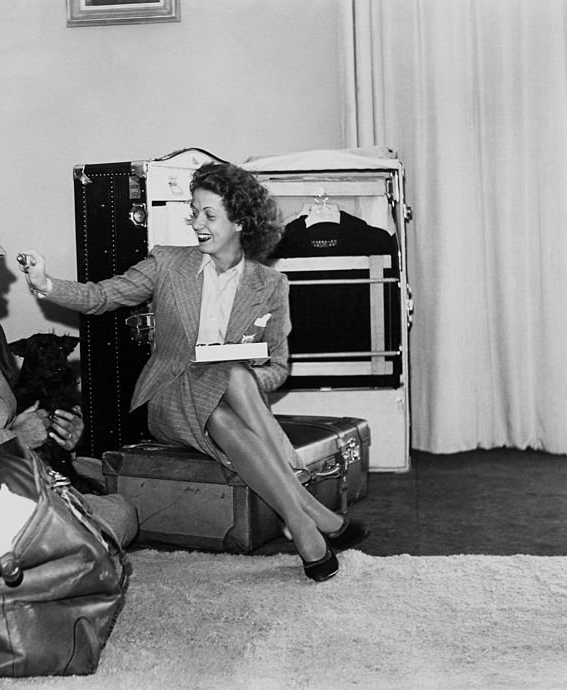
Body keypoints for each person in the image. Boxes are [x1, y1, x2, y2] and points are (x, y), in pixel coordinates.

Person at [19, 162, 368, 582]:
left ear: (239, 221)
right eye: (194, 211)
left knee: (234, 382)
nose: (196, 223)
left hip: (230, 408)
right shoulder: (167, 263)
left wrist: (243, 376)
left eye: (209, 215)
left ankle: (307, 527)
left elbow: (278, 368)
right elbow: (103, 295)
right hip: (168, 397)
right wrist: (46, 283)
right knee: (232, 378)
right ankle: (308, 509)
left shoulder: (270, 285)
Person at [0, 200, 138, 547]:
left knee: (110, 473)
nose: (0, 251)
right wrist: (22, 436)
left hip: (3, 467)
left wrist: (62, 435)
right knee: (121, 510)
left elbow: (7, 414)